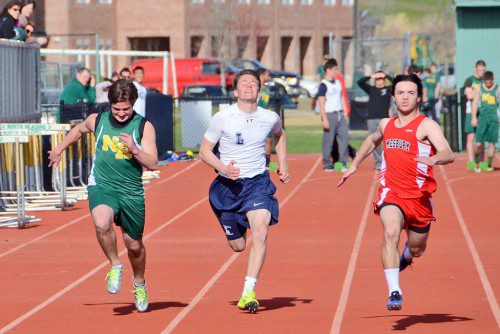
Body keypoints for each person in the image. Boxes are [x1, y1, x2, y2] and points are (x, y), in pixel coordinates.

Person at [338, 74, 454, 310]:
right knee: (390, 231)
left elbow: (448, 152)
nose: (405, 97)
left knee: (418, 248)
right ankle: (394, 290)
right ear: (392, 96)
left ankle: (407, 256)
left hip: (419, 198)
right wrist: (354, 164)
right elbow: (372, 140)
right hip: (392, 192)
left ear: (419, 97)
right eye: (400, 92)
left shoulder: (426, 125)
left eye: (410, 93)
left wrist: (434, 158)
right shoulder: (386, 124)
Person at [48, 79, 158, 312]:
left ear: (133, 105)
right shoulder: (97, 120)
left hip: (131, 190)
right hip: (102, 184)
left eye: (125, 109)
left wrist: (135, 150)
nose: (120, 114)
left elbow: (153, 163)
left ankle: (139, 282)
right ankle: (115, 265)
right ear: (110, 106)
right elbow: (78, 130)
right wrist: (59, 149)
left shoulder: (143, 126)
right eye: (116, 109)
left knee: (134, 244)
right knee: (101, 221)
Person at [199, 69, 290, 314]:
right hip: (227, 187)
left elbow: (280, 136)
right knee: (238, 246)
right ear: (236, 91)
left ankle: (248, 292)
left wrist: (282, 164)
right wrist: (222, 168)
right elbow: (204, 150)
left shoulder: (270, 117)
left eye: (253, 83)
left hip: (257, 183)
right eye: (244, 83)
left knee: (260, 231)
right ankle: (233, 224)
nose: (249, 86)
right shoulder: (223, 117)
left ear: (259, 92)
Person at [357, 70, 393, 170]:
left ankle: (389, 162)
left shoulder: (389, 89)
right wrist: (371, 76)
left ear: (384, 79)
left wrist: (386, 75)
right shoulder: (371, 89)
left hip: (384, 120)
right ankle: (379, 163)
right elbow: (360, 82)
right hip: (372, 119)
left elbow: (396, 82)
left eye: (380, 78)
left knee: (388, 142)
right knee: (375, 142)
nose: (378, 80)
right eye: (377, 79)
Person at [318, 58, 349, 171]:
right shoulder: (323, 84)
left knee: (344, 138)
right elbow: (321, 103)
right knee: (328, 140)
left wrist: (345, 112)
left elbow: (341, 97)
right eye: (335, 69)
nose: (336, 71)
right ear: (329, 70)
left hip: (340, 114)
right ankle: (327, 163)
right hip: (329, 114)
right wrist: (324, 119)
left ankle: (343, 163)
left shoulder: (338, 82)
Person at [471, 71, 498, 172]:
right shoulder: (480, 89)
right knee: (478, 143)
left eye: (490, 81)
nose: (488, 83)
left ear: (492, 80)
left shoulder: (497, 89)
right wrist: (474, 117)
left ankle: (489, 163)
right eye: (486, 81)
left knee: (492, 142)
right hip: (482, 118)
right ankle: (477, 163)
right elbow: (474, 103)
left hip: (493, 118)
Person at [463, 60, 486, 171]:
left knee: (481, 138)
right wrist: (479, 94)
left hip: (483, 112)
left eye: (484, 70)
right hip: (470, 111)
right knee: (471, 137)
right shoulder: (469, 80)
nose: (482, 72)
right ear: (476, 68)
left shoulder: (486, 81)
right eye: (480, 70)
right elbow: (469, 95)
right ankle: (472, 162)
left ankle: (481, 162)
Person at [257, 68, 273, 166]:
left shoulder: (266, 89)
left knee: (269, 140)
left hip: (266, 118)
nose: (269, 77)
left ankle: (268, 164)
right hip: (257, 118)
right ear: (262, 75)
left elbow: (266, 103)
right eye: (268, 75)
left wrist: (270, 109)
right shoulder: (256, 88)